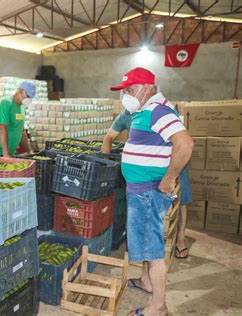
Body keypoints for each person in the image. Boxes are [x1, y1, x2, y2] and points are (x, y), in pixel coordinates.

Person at [109, 67, 194, 316]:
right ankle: (146, 282)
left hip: (148, 192)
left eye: (131, 89)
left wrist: (169, 179)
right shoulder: (142, 110)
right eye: (124, 90)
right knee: (146, 244)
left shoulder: (159, 110)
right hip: (139, 190)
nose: (127, 94)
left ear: (147, 88)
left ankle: (158, 306)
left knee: (153, 249)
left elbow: (185, 144)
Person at [103, 110, 193, 259]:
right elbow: (109, 137)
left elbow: (183, 141)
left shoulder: (160, 111)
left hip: (171, 160)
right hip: (146, 166)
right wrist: (105, 162)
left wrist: (171, 174)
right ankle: (139, 241)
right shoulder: (126, 114)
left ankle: (181, 239)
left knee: (180, 199)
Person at [0, 82, 35, 160]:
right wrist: (6, 154)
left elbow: (21, 131)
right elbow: (3, 129)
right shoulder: (5, 103)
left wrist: (29, 151)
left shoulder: (22, 108)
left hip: (10, 151)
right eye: (28, 96)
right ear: (20, 91)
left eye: (30, 98)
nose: (29, 100)